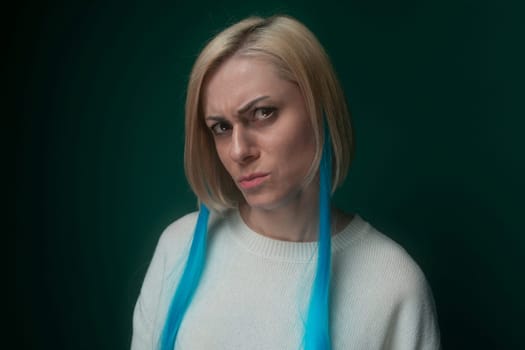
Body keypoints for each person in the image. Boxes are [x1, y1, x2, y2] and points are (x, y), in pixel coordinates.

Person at [131, 15, 440, 350]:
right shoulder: (178, 246)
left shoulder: (391, 283)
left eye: (263, 113)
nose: (239, 151)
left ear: (320, 109)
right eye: (221, 127)